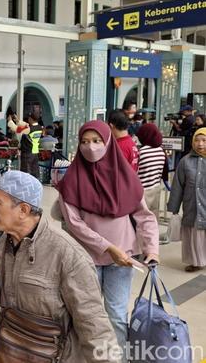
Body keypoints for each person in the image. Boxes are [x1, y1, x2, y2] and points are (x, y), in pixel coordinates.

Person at [56, 120, 159, 360]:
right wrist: (108, 247)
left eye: (96, 141)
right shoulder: (70, 181)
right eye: (84, 142)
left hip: (122, 260)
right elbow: (75, 224)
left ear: (108, 142)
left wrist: (152, 248)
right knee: (83, 315)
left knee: (116, 315)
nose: (90, 147)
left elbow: (145, 217)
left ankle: (117, 358)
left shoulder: (126, 178)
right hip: (84, 259)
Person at [0, 171, 118, 363]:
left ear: (23, 210)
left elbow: (94, 325)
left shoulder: (68, 255)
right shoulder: (4, 243)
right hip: (11, 352)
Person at [168, 128, 206, 272]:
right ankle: (195, 262)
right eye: (197, 140)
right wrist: (174, 208)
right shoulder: (185, 161)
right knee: (194, 236)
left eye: (204, 140)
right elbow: (177, 186)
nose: (200, 144)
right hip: (193, 206)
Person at [137, 124, 167, 219]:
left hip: (142, 192)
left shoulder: (141, 152)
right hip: (155, 188)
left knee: (141, 219)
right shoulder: (161, 151)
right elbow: (164, 172)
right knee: (153, 218)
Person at [19, 114, 43, 178]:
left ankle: (27, 185)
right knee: (34, 170)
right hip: (35, 151)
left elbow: (17, 130)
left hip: (27, 151)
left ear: (30, 119)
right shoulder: (39, 127)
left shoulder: (29, 129)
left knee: (26, 171)